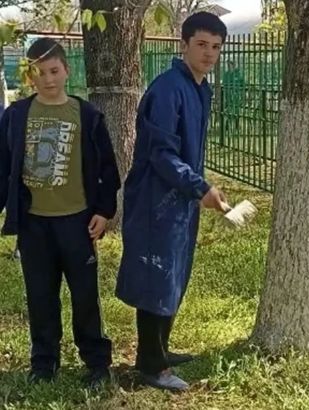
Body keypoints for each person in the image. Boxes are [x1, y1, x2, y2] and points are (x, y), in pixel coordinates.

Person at [115, 12, 228, 391]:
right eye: (201, 44)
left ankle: (160, 348)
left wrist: (196, 189)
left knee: (173, 274)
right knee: (156, 276)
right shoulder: (167, 89)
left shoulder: (199, 88)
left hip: (179, 198)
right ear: (184, 44)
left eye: (216, 47)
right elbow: (161, 154)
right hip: (155, 198)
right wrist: (200, 188)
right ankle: (151, 365)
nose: (209, 53)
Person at [0, 38, 120, 387]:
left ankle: (96, 362)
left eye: (54, 70)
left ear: (66, 70)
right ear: (29, 76)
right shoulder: (16, 116)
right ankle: (44, 363)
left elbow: (108, 168)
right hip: (34, 225)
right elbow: (3, 167)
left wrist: (104, 210)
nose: (48, 79)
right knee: (40, 296)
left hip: (77, 223)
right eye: (39, 72)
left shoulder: (87, 115)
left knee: (85, 297)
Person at [222, 60, 244, 133]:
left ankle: (237, 125)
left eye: (230, 64)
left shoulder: (238, 74)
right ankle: (227, 126)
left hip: (236, 96)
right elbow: (224, 85)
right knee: (229, 110)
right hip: (228, 96)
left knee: (236, 110)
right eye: (228, 65)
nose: (229, 66)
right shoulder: (226, 74)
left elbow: (243, 85)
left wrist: (242, 94)